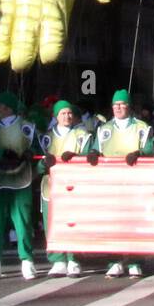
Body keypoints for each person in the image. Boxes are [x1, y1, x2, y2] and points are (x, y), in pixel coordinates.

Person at [0, 90, 37, 281]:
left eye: (0, 106)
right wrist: (0, 154)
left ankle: (27, 260)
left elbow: (38, 149)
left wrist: (30, 154)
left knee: (23, 220)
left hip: (21, 180)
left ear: (9, 108)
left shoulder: (28, 128)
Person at [95, 88, 154, 277]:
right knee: (113, 221)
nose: (118, 108)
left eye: (122, 104)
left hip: (134, 182)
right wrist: (93, 154)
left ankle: (135, 260)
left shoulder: (142, 127)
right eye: (115, 105)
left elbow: (150, 147)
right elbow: (97, 148)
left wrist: (140, 153)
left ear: (129, 107)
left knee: (134, 221)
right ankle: (114, 260)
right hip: (111, 183)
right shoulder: (104, 129)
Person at [38, 101, 94, 276]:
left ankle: (73, 258)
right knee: (52, 222)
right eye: (63, 113)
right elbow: (37, 164)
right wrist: (43, 164)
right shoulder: (45, 137)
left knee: (73, 221)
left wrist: (77, 157)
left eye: (69, 113)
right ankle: (57, 260)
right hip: (50, 186)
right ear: (55, 116)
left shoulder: (82, 135)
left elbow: (88, 156)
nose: (67, 116)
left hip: (73, 186)